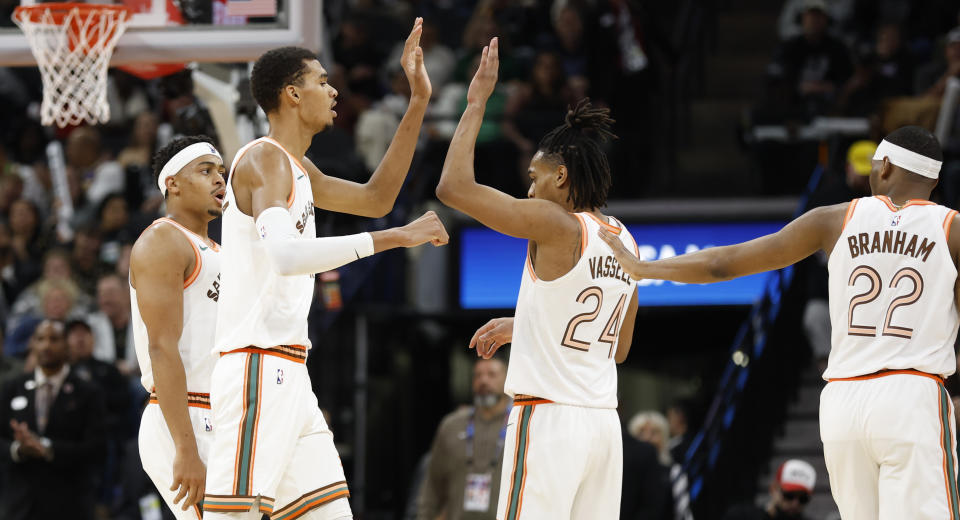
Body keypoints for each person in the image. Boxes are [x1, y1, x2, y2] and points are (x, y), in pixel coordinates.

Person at [600, 125, 960, 519]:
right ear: (935, 178)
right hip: (911, 394)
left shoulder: (835, 219)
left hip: (844, 403)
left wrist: (643, 267)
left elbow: (723, 263)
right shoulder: (951, 229)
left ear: (886, 166)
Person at [204, 19, 448, 519]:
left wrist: (418, 100)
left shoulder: (299, 169)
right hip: (256, 364)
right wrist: (394, 238)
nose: (334, 90)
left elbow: (377, 197)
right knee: (235, 515)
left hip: (291, 371)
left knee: (330, 513)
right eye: (321, 81)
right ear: (292, 94)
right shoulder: (263, 160)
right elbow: (287, 257)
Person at [437, 38, 640, 520]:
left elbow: (452, 187)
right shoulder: (625, 240)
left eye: (535, 177)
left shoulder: (557, 224)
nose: (529, 189)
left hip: (549, 420)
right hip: (603, 427)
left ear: (562, 177)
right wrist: (526, 323)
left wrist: (477, 102)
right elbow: (620, 346)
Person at [128, 135, 226, 518]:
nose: (219, 180)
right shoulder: (163, 241)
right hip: (184, 417)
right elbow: (161, 348)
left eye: (221, 172)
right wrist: (184, 448)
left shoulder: (219, 250)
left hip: (220, 412)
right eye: (205, 171)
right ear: (173, 183)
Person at [0, 319, 106, 520]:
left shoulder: (88, 392)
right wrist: (18, 449)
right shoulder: (12, 387)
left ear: (67, 345)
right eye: (40, 339)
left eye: (54, 339)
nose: (46, 345)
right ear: (32, 344)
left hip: (70, 503)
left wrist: (48, 448)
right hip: (20, 504)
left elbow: (97, 449)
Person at [417, 356, 511, 520]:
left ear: (508, 379)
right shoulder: (452, 425)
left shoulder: (521, 424)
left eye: (491, 374)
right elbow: (432, 484)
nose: (483, 381)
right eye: (478, 375)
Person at [722, 459, 816, 520]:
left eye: (803, 499)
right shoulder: (742, 515)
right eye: (789, 496)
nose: (795, 503)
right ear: (773, 489)